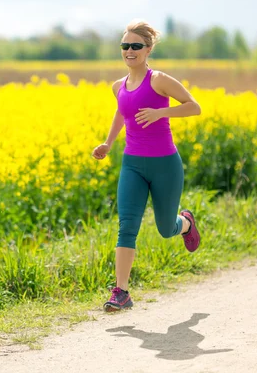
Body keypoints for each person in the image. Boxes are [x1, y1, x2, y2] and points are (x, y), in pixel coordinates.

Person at [92, 19, 202, 312]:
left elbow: (194, 106)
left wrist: (160, 112)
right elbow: (121, 114)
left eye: (136, 46)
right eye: (125, 45)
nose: (129, 50)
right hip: (132, 166)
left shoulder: (159, 80)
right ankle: (121, 292)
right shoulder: (118, 86)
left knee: (167, 229)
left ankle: (186, 222)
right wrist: (108, 143)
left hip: (165, 165)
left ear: (148, 49)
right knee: (127, 226)